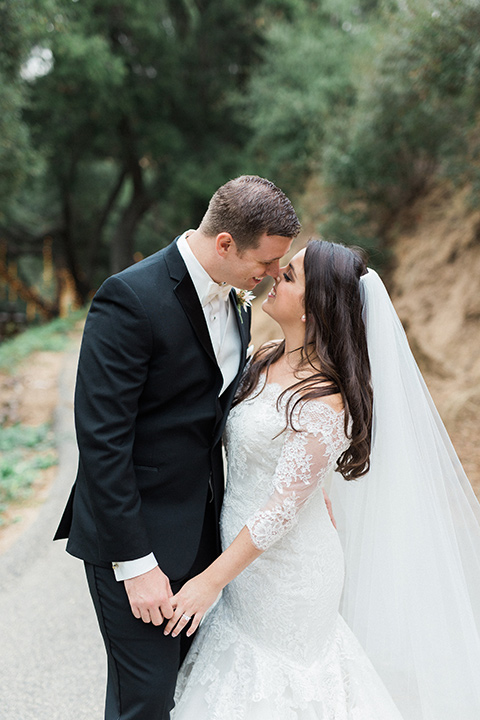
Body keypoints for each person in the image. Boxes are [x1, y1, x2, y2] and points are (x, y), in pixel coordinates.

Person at [166, 239, 480, 719]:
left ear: (315, 310)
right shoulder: (263, 356)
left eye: (289, 276)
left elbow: (281, 511)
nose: (274, 276)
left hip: (289, 574)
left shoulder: (324, 399)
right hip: (242, 565)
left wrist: (209, 581)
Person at [54, 175, 301, 720]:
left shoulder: (237, 303)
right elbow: (101, 440)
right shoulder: (129, 297)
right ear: (225, 244)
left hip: (204, 537)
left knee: (193, 694)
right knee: (143, 703)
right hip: (135, 541)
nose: (270, 277)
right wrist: (134, 562)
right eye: (265, 263)